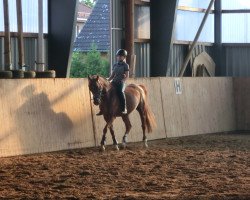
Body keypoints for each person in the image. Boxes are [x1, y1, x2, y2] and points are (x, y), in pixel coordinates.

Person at [96, 49, 129, 115]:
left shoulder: (126, 65)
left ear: (124, 57)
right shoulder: (115, 65)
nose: (119, 57)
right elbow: (112, 75)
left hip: (121, 82)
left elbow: (127, 76)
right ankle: (102, 109)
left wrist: (122, 81)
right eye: (118, 56)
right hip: (114, 82)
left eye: (121, 56)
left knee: (120, 92)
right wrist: (107, 81)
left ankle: (124, 108)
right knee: (105, 91)